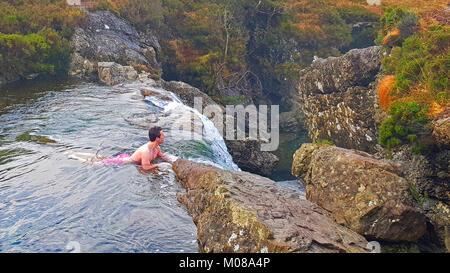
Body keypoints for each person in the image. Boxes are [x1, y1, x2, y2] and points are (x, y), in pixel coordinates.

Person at [67, 126, 175, 171]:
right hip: (123, 161)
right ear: (157, 138)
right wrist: (160, 165)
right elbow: (146, 167)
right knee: (96, 163)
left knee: (101, 157)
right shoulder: (146, 151)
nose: (164, 136)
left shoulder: (157, 147)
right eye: (162, 135)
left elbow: (161, 155)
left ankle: (76, 152)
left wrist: (172, 160)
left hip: (128, 157)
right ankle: (74, 156)